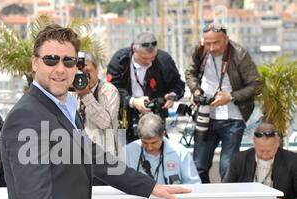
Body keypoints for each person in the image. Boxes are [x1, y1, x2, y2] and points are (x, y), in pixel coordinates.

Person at [0, 24, 190, 199]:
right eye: (50, 59)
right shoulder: (29, 116)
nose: (60, 68)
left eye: (68, 61)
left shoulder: (61, 108)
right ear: (34, 64)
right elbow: (33, 196)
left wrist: (150, 187)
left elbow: (94, 157)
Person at [185, 23, 259, 183]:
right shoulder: (199, 49)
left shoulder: (240, 54)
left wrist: (230, 96)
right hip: (205, 115)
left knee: (227, 167)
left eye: (216, 42)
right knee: (198, 166)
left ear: (227, 39)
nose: (211, 47)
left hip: (233, 117)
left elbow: (255, 84)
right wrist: (195, 91)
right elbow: (190, 73)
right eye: (208, 42)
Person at [107, 31, 185, 143]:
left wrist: (172, 96)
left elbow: (178, 85)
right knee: (125, 154)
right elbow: (112, 89)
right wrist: (132, 101)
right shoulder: (120, 60)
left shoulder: (164, 59)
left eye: (152, 58)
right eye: (144, 58)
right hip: (127, 116)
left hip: (155, 116)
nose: (149, 61)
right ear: (134, 50)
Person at [125, 113, 201, 184]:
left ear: (163, 135)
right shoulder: (127, 151)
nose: (149, 148)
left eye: (153, 143)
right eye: (144, 143)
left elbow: (194, 184)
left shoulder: (180, 152)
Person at [76, 53, 120, 155]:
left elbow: (105, 123)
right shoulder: (72, 92)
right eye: (80, 73)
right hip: (79, 154)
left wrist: (86, 95)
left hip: (103, 155)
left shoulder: (108, 90)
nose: (83, 77)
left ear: (97, 70)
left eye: (87, 72)